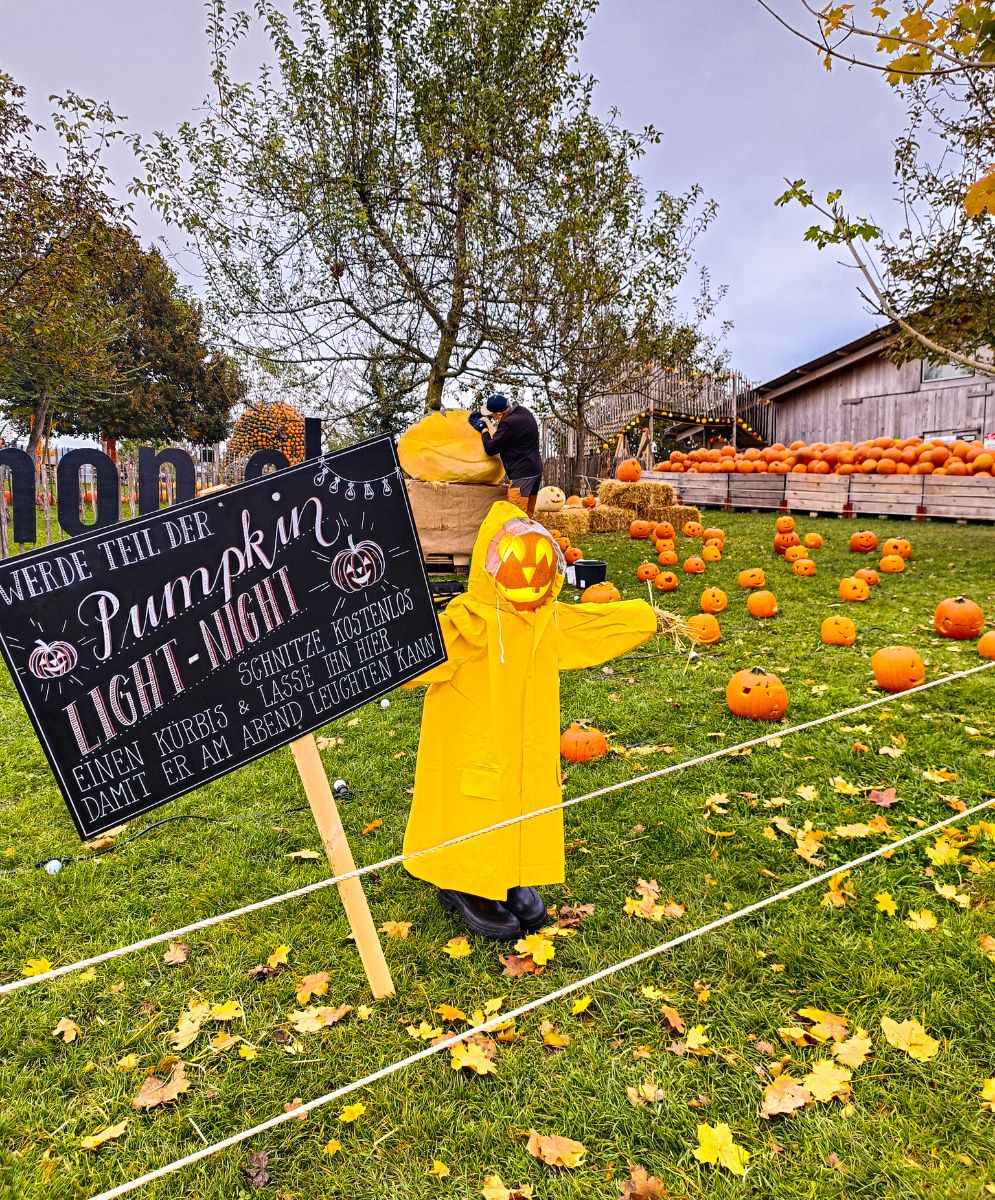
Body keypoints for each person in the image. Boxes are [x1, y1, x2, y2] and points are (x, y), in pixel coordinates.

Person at [401, 501, 659, 940]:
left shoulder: (545, 621)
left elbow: (589, 626)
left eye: (538, 563)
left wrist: (646, 618)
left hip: (526, 739)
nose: (526, 574)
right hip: (473, 744)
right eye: (515, 563)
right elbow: (410, 658)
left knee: (521, 800)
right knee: (474, 807)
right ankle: (464, 882)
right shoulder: (467, 624)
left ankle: (510, 870)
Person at [467, 394, 543, 516]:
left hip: (522, 475)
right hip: (535, 470)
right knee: (528, 514)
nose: (492, 417)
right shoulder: (523, 411)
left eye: (492, 414)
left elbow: (491, 448)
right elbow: (508, 436)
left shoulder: (509, 424)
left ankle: (517, 535)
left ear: (499, 414)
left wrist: (483, 429)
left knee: (516, 515)